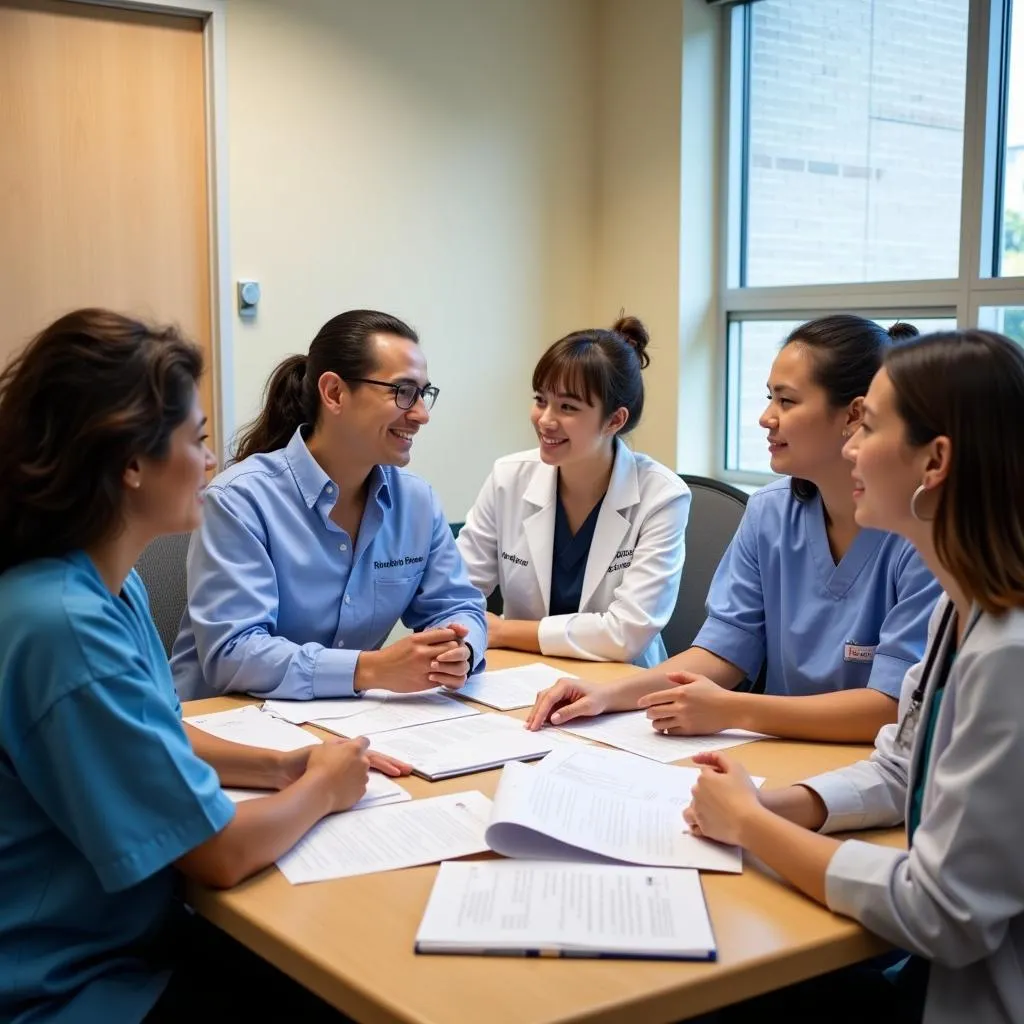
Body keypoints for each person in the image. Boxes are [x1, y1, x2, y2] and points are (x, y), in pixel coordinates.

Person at [0, 309, 382, 1023]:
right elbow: (219, 855)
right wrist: (324, 789)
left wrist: (280, 767)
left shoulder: (105, 584)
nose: (211, 462)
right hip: (66, 986)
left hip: (130, 940)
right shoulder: (64, 627)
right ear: (131, 463)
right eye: (197, 440)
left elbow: (159, 728)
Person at [686, 328, 1024, 1024]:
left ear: (935, 461)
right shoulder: (960, 612)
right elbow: (901, 770)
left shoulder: (1008, 653)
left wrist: (755, 827)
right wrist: (780, 803)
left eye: (866, 427)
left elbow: (943, 912)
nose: (848, 448)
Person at [528, 315, 941, 742]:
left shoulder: (918, 532)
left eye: (787, 401)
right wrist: (607, 695)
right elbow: (722, 652)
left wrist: (734, 709)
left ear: (854, 414)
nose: (766, 418)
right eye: (769, 398)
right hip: (779, 753)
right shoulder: (771, 512)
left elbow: (892, 707)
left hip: (870, 765)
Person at [171, 310, 487, 702]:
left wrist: (461, 650)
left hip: (345, 725)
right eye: (403, 392)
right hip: (223, 732)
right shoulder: (239, 500)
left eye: (424, 393)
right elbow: (233, 653)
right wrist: (370, 669)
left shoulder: (417, 502)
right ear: (334, 393)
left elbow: (457, 605)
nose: (421, 414)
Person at [456, 315, 690, 667]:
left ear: (615, 420)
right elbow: (455, 591)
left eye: (567, 407)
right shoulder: (508, 478)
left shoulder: (662, 497)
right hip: (514, 675)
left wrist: (503, 631)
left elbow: (624, 634)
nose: (545, 420)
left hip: (616, 687)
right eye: (540, 400)